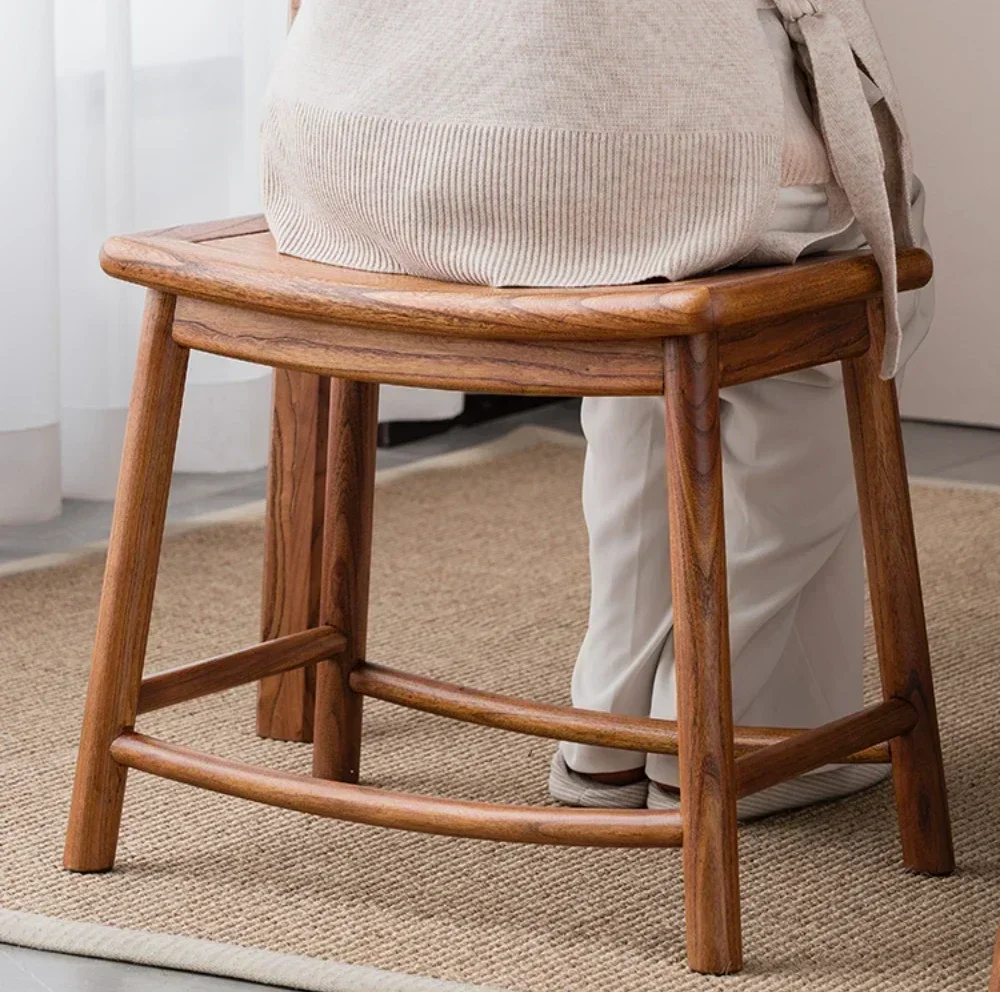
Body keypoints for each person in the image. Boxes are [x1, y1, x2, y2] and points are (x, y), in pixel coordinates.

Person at [260, 0, 932, 817]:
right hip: (613, 156)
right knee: (810, 321)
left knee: (634, 270)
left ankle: (609, 724)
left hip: (355, 156)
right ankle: (724, 728)